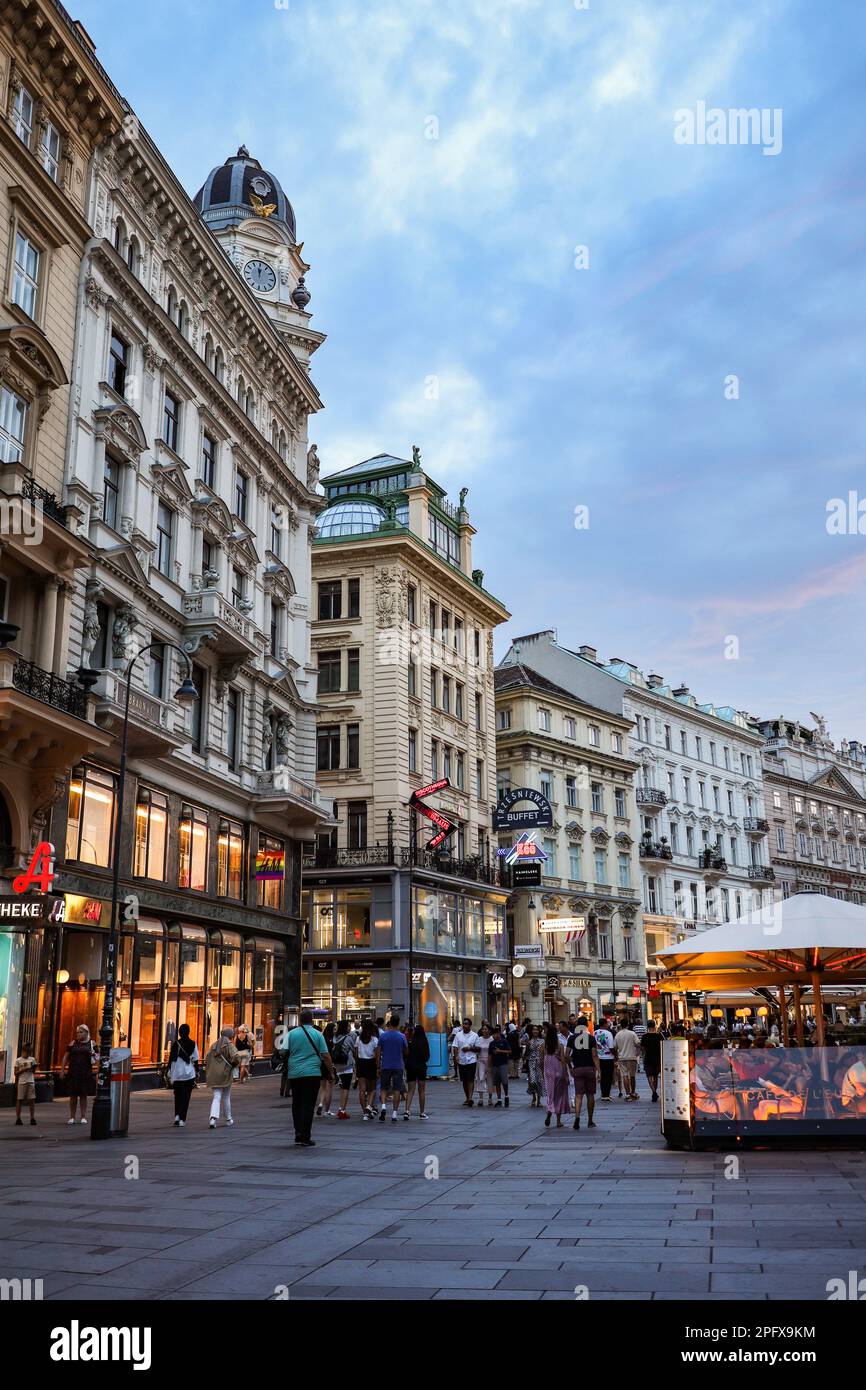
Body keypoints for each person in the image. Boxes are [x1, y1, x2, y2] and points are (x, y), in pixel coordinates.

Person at [281, 1010, 335, 1145]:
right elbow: (326, 1055)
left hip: (294, 1073)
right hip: (312, 1074)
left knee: (297, 1104)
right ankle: (306, 1136)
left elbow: (283, 1051)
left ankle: (298, 1132)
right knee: (308, 1105)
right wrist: (331, 1072)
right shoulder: (317, 1034)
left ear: (300, 1020)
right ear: (312, 1020)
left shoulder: (291, 1034)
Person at [204, 1026, 243, 1129]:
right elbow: (236, 1057)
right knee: (226, 1096)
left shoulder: (213, 1045)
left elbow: (207, 1059)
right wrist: (234, 1065)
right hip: (225, 1074)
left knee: (216, 1096)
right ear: (231, 1036)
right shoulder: (229, 1045)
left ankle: (213, 1118)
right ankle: (228, 1119)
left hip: (213, 1075)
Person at [567, 1015, 600, 1129]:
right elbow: (594, 1055)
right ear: (586, 1026)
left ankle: (577, 1116)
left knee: (578, 1095)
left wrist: (570, 1067)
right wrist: (599, 1070)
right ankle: (590, 1120)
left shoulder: (571, 1038)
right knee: (590, 1095)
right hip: (589, 1068)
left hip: (578, 1069)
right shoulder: (591, 1038)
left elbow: (566, 1055)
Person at [62, 1024, 96, 1124]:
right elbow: (66, 1057)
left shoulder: (91, 1043)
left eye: (81, 1032)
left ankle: (83, 1116)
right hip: (73, 1071)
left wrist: (95, 1055)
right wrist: (62, 1070)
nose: (79, 1034)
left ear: (86, 1032)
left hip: (85, 1072)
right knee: (73, 1095)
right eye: (77, 1032)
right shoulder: (73, 1043)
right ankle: (72, 1117)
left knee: (83, 1095)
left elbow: (98, 1057)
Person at [378, 1013, 408, 1121]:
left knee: (383, 1088)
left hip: (385, 1065)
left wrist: (378, 1066)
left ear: (390, 1022)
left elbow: (378, 1051)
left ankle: (383, 1106)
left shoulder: (383, 1036)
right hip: (398, 1066)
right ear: (398, 1023)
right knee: (396, 1089)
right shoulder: (402, 1036)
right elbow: (406, 1052)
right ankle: (394, 1113)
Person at [168, 1023, 199, 1126]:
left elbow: (171, 1059)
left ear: (179, 1032)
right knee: (186, 1097)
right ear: (189, 1032)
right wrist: (197, 1071)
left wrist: (169, 1071)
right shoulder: (193, 1043)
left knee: (177, 1096)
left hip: (177, 1074)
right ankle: (182, 1119)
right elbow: (195, 1059)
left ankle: (177, 1115)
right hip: (188, 1074)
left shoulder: (176, 1044)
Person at [542, 1022, 570, 1128]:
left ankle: (549, 1110)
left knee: (550, 1095)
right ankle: (558, 1121)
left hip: (548, 1072)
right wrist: (566, 1074)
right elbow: (563, 1061)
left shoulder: (545, 1045)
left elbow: (542, 1060)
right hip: (558, 1072)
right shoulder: (560, 1045)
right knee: (559, 1096)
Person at [452, 1017, 481, 1106]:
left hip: (471, 1060)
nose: (464, 1025)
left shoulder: (475, 1035)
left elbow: (478, 1048)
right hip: (461, 1060)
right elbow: (455, 1046)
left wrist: (469, 1048)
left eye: (466, 1024)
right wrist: (456, 1056)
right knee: (464, 1080)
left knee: (470, 1079)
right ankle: (467, 1097)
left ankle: (470, 1098)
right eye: (463, 1024)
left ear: (470, 1025)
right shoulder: (458, 1035)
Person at [331, 1019, 357, 1120]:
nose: (349, 1028)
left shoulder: (335, 1037)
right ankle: (343, 1110)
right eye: (348, 1026)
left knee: (342, 1088)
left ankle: (340, 1108)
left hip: (338, 1065)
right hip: (347, 1065)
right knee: (346, 1088)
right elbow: (354, 1051)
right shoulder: (348, 1038)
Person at [355, 1020, 380, 1118]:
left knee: (362, 1089)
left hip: (361, 1063)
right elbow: (377, 1055)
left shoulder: (358, 1039)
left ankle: (364, 1111)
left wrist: (357, 1064)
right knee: (372, 1088)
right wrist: (378, 1066)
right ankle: (369, 1106)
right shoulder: (374, 1040)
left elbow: (356, 1053)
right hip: (371, 1063)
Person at [406, 1024, 430, 1118]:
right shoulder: (424, 1042)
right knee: (422, 1091)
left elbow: (407, 1054)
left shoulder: (411, 1042)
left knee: (410, 1090)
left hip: (411, 1067)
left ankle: (407, 1110)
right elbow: (427, 1056)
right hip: (421, 1067)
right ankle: (422, 1112)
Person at [614, 1019, 641, 1100]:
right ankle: (633, 1092)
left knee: (624, 1075)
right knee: (632, 1076)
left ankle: (627, 1094)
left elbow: (615, 1047)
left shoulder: (617, 1035)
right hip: (631, 1056)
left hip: (622, 1057)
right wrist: (637, 1052)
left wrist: (616, 1056)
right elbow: (638, 1043)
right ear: (628, 1025)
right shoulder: (632, 1033)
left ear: (621, 1025)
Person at [13, 1043, 38, 1126]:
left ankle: (32, 1118)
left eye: (29, 1053)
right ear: (23, 1051)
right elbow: (15, 1073)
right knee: (19, 1100)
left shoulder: (32, 1059)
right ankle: (18, 1118)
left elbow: (34, 1072)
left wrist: (33, 1068)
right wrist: (24, 1069)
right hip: (22, 1081)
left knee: (32, 1100)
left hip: (31, 1081)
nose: (27, 1054)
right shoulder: (18, 1060)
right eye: (26, 1052)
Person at [316, 1021, 336, 1118]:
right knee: (329, 1088)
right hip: (329, 1064)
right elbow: (329, 1055)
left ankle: (320, 1104)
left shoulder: (322, 1038)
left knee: (323, 1087)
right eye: (334, 1029)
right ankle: (327, 1110)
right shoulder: (332, 1040)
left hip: (321, 1065)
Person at [640, 1018, 662, 1101]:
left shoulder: (644, 1036)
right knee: (655, 1076)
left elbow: (642, 1048)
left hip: (648, 1057)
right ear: (655, 1026)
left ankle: (653, 1092)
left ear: (647, 1027)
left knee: (649, 1076)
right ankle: (655, 1091)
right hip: (657, 1058)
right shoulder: (658, 1036)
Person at [489, 1025, 511, 1107]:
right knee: (497, 1082)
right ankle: (499, 1099)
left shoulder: (504, 1041)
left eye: (496, 1034)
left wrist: (500, 1051)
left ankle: (506, 1096)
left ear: (499, 1034)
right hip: (494, 1065)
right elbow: (490, 1055)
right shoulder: (491, 1044)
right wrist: (489, 1066)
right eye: (493, 1034)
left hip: (503, 1064)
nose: (495, 1036)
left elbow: (509, 1051)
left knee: (504, 1081)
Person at [524, 1023, 545, 1108]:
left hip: (540, 1062)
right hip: (531, 1062)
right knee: (532, 1080)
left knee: (539, 1081)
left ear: (539, 1031)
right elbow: (526, 1053)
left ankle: (538, 1100)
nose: (535, 1031)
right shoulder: (529, 1041)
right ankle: (533, 1097)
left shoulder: (543, 1041)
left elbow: (544, 1053)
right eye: (533, 1030)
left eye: (536, 1029)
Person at [594, 1017, 616, 1102]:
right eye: (607, 1023)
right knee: (609, 1076)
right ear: (604, 1024)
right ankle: (607, 1094)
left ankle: (603, 1094)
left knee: (602, 1076)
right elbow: (611, 1047)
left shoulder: (595, 1033)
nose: (608, 1024)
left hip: (599, 1057)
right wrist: (615, 1055)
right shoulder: (608, 1033)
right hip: (608, 1057)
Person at [474, 1022, 494, 1107]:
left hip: (490, 1061)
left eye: (486, 1029)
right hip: (481, 1060)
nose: (484, 1030)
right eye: (483, 1029)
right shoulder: (479, 1039)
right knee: (480, 1078)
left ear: (489, 1030)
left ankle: (490, 1098)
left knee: (490, 1079)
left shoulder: (492, 1039)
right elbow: (476, 1049)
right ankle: (480, 1099)